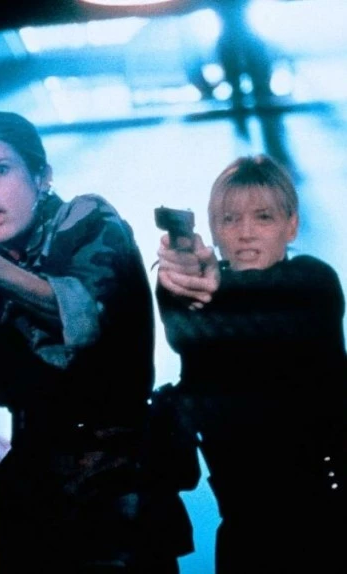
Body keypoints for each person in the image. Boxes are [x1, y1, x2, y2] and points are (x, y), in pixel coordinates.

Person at [0, 111, 194, 573]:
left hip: (116, 495)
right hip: (32, 499)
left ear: (42, 176)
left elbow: (82, 316)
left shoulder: (87, 219)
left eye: (0, 170)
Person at [155, 154, 347, 573]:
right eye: (229, 219)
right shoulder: (207, 302)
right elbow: (181, 327)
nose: (245, 233)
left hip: (328, 524)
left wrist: (212, 281)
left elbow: (268, 298)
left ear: (291, 226)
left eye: (263, 217)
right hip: (245, 532)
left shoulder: (313, 282)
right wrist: (175, 278)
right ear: (214, 232)